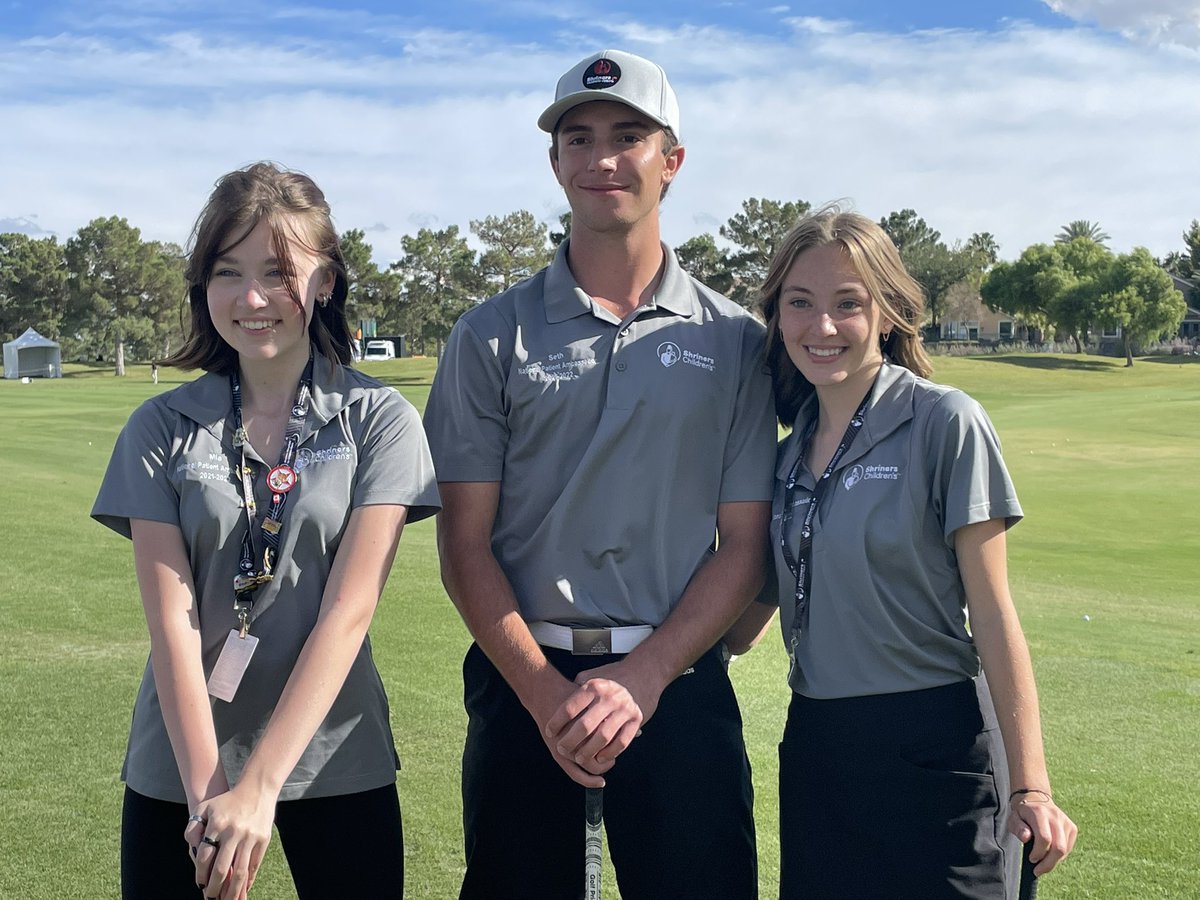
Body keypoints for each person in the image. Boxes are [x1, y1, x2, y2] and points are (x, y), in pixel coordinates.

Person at [423, 49, 776, 899]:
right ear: (555, 163)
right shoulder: (488, 336)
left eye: (628, 136)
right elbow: (465, 547)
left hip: (679, 685)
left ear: (672, 161)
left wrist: (645, 676)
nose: (601, 159)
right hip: (525, 682)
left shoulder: (737, 341)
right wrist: (549, 697)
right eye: (577, 139)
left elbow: (745, 546)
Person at [92, 162, 439, 900]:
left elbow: (348, 615)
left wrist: (261, 790)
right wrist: (208, 794)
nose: (252, 298)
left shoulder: (379, 421)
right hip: (181, 768)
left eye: (279, 272)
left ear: (324, 282)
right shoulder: (161, 426)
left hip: (335, 758)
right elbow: (173, 627)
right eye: (226, 271)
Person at [730, 208, 1077, 898]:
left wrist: (1032, 783)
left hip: (934, 744)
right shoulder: (784, 455)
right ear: (777, 315)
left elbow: (995, 613)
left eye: (847, 304)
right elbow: (748, 616)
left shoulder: (945, 422)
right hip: (817, 747)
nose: (820, 326)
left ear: (887, 313)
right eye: (799, 303)